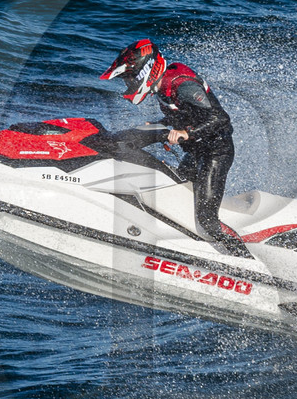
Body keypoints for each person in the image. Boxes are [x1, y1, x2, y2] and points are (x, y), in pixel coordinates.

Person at [101, 38, 248, 259]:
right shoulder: (162, 87)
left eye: (130, 78)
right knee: (176, 191)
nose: (128, 83)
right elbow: (187, 114)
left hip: (216, 153)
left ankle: (246, 259)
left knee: (207, 220)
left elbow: (221, 119)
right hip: (197, 151)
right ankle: (187, 247)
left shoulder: (183, 85)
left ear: (145, 72)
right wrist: (164, 123)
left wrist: (186, 134)